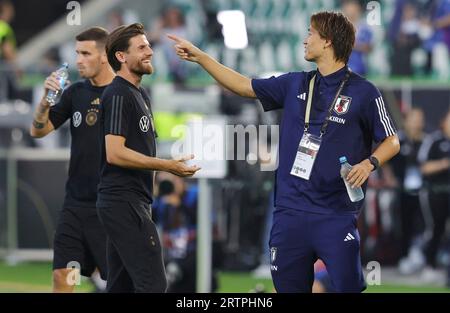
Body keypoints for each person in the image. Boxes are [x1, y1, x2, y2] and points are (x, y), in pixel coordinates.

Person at [169, 11, 400, 292]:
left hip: (335, 215)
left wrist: (369, 163)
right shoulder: (294, 84)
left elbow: (391, 140)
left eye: (311, 34)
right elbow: (244, 86)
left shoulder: (365, 92)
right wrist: (201, 57)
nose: (305, 40)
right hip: (289, 213)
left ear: (327, 41)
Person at [97, 23, 200, 293]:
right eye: (142, 47)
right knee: (153, 284)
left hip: (131, 202)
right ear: (121, 57)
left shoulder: (139, 93)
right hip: (123, 203)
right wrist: (167, 166)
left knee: (121, 286)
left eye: (149, 45)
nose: (150, 52)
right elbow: (115, 152)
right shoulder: (118, 93)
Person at [29, 27, 114, 292]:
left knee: (119, 281)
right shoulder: (76, 92)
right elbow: (38, 131)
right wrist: (45, 102)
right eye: (77, 53)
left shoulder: (124, 94)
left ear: (104, 56)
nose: (78, 60)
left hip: (111, 205)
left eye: (85, 53)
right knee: (62, 276)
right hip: (75, 204)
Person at [417, 110, 450, 284]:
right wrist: (445, 163)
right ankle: (429, 266)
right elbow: (424, 167)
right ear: (444, 121)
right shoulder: (434, 140)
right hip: (435, 193)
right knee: (434, 229)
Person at [342, 0, 373, 77]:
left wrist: (350, 44)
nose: (349, 8)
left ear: (358, 8)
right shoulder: (338, 27)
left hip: (360, 70)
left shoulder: (365, 28)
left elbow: (369, 48)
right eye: (347, 5)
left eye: (352, 5)